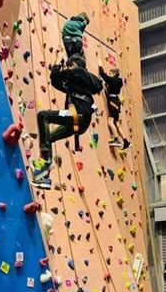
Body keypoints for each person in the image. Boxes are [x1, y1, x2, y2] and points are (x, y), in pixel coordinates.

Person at [32, 51, 102, 190]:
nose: (69, 69)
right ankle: (44, 178)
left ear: (74, 65)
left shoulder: (79, 72)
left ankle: (45, 163)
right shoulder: (85, 81)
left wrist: (58, 60)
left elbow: (55, 75)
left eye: (70, 67)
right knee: (49, 138)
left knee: (43, 115)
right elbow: (57, 82)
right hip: (81, 121)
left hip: (76, 115)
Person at [98, 59, 130, 150]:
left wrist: (100, 65)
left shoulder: (113, 80)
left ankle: (116, 140)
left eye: (111, 74)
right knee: (116, 123)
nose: (110, 75)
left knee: (110, 122)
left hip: (112, 101)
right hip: (117, 101)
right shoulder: (119, 82)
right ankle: (126, 141)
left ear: (114, 74)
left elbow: (103, 75)